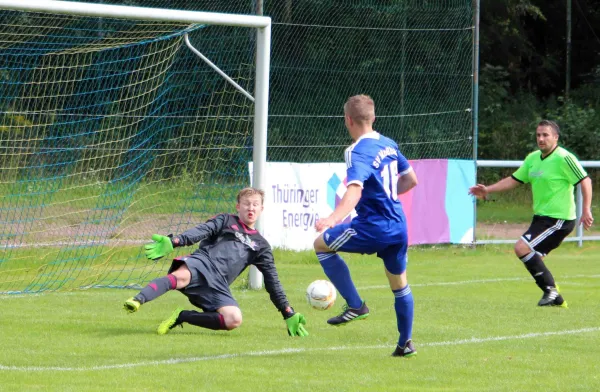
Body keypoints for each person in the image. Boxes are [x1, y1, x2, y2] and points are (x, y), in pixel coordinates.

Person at [123, 187, 308, 337]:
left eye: (255, 205)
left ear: (261, 209)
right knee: (179, 277)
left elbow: (272, 281)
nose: (250, 208)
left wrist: (287, 312)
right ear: (238, 206)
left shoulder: (261, 246)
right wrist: (176, 241)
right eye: (246, 204)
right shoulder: (226, 221)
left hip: (219, 284)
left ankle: (182, 316)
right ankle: (137, 300)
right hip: (202, 263)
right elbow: (202, 230)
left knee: (233, 319)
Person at [313, 95, 419, 358]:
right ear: (373, 118)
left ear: (348, 120)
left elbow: (355, 190)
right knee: (399, 284)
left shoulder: (356, 151)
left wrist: (333, 218)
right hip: (398, 225)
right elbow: (411, 180)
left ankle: (356, 305)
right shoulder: (389, 144)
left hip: (373, 226)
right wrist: (386, 197)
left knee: (321, 245)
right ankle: (405, 343)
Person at [469, 120, 593, 307]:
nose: (541, 139)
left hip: (559, 219)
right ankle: (556, 299)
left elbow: (585, 181)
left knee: (521, 248)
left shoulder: (564, 158)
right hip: (541, 219)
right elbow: (514, 180)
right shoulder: (533, 158)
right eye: (538, 135)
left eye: (545, 135)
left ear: (556, 138)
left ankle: (550, 290)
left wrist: (586, 209)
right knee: (534, 258)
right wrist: (488, 190)